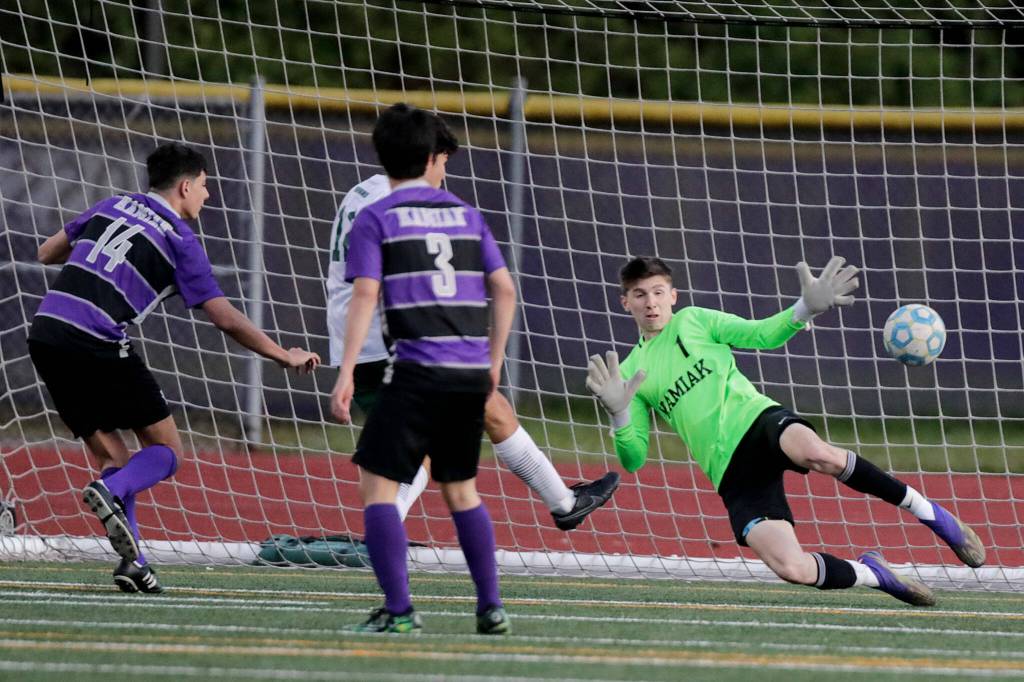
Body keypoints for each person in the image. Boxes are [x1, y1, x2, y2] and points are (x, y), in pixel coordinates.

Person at [586, 256, 985, 607]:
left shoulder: (695, 321)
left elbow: (761, 334)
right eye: (639, 294)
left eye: (657, 291)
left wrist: (803, 310)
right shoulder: (629, 373)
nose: (650, 302)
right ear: (626, 303)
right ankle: (874, 574)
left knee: (819, 453)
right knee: (791, 567)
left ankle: (933, 515)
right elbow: (634, 457)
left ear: (673, 295)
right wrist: (620, 413)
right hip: (729, 471)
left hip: (759, 422)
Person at [29, 142, 320, 593]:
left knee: (113, 457)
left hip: (46, 332)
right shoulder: (180, 239)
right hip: (97, 337)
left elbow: (48, 253)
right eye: (204, 187)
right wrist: (284, 355)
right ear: (185, 186)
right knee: (166, 451)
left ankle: (135, 563)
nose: (207, 196)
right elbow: (225, 317)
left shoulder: (112, 204)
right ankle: (113, 492)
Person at [326, 152, 618, 530]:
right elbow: (391, 279)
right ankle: (388, 527)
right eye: (443, 162)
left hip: (357, 338)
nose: (445, 173)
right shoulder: (403, 205)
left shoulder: (360, 192)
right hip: (396, 338)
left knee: (479, 411)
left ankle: (564, 503)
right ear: (426, 158)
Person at [330, 103, 515, 635]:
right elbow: (503, 289)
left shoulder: (376, 216)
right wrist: (494, 362)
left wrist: (345, 374)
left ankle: (399, 611)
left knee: (379, 489)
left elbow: (365, 293)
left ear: (382, 156)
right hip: (468, 371)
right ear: (433, 157)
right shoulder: (464, 213)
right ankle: (490, 607)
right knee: (462, 492)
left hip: (414, 371)